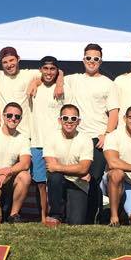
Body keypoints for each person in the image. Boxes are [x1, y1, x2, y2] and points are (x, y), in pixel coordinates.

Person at [63, 43, 120, 223]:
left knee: (93, 180)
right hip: (77, 137)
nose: (92, 61)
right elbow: (52, 74)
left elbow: (114, 113)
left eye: (96, 59)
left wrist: (107, 134)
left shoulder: (108, 84)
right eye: (89, 58)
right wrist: (36, 81)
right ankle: (70, 216)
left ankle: (91, 218)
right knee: (74, 177)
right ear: (83, 59)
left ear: (100, 61)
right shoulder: (74, 79)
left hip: (98, 139)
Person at [43, 103, 93, 227]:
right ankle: (55, 214)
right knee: (54, 177)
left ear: (79, 121)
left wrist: (60, 167)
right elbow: (51, 166)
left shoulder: (86, 139)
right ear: (60, 120)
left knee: (76, 223)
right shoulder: (51, 137)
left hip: (78, 184)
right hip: (60, 181)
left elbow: (84, 168)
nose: (69, 121)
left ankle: (68, 212)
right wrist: (78, 170)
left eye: (73, 119)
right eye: (65, 118)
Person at [27, 55, 64, 221]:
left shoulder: (63, 88)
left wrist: (61, 79)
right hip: (37, 142)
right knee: (41, 183)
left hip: (57, 144)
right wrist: (34, 82)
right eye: (46, 69)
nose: (49, 72)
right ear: (40, 70)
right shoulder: (35, 86)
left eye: (53, 69)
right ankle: (43, 217)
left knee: (57, 181)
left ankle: (58, 214)